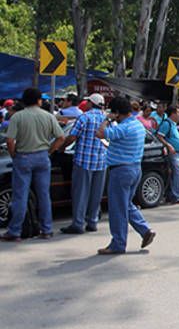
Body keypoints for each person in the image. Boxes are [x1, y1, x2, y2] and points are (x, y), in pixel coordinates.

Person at [1, 88, 65, 242]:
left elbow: (10, 140)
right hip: (42, 157)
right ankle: (46, 229)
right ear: (38, 100)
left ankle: (15, 231)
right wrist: (50, 151)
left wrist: (14, 155)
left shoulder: (18, 117)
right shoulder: (48, 116)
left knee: (20, 196)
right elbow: (61, 137)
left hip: (23, 156)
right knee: (44, 195)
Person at [94, 96, 156, 254]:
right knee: (126, 204)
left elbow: (100, 133)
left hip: (120, 170)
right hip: (135, 168)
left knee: (117, 209)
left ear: (117, 113)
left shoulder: (122, 128)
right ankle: (145, 230)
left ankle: (118, 243)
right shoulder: (138, 125)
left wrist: (107, 119)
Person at [60, 93, 108, 234]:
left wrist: (62, 147)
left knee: (80, 193)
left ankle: (78, 223)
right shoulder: (106, 119)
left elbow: (72, 136)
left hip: (84, 161)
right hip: (101, 161)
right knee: (96, 193)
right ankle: (92, 221)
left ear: (90, 103)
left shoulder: (84, 117)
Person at [156, 105, 179, 204]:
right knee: (177, 174)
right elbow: (160, 136)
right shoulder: (167, 123)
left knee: (176, 174)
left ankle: (173, 195)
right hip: (172, 154)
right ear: (173, 113)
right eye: (178, 112)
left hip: (178, 153)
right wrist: (169, 145)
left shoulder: (173, 124)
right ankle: (176, 195)